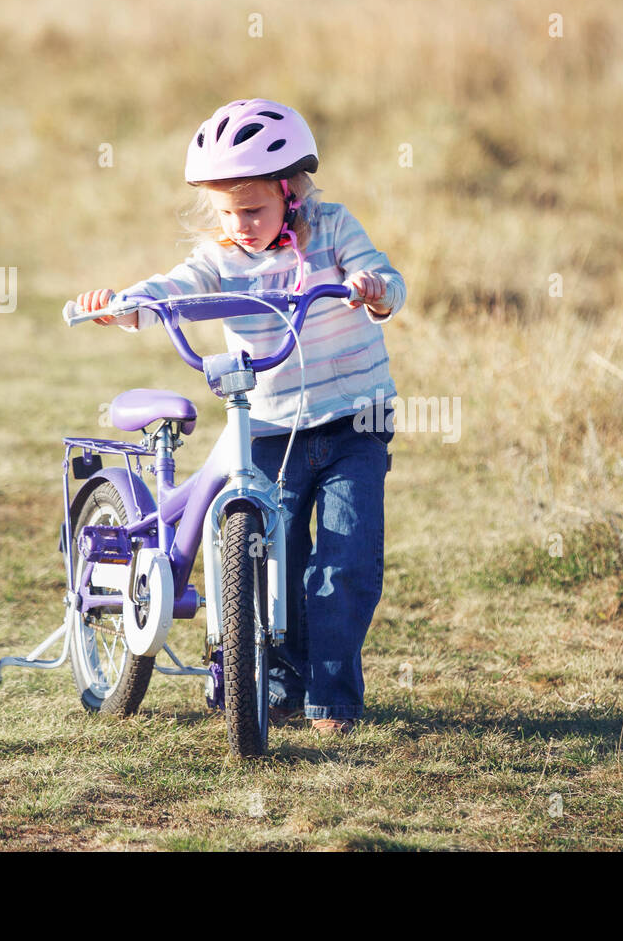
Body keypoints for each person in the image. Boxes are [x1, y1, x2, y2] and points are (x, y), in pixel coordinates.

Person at [67, 98, 406, 737]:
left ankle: (331, 703)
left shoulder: (332, 229)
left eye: (253, 209)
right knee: (270, 557)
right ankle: (273, 687)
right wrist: (125, 305)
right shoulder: (222, 257)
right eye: (227, 211)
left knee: (344, 562)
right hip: (271, 428)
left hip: (352, 422)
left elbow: (384, 277)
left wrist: (373, 289)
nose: (240, 224)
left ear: (292, 193)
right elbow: (175, 288)